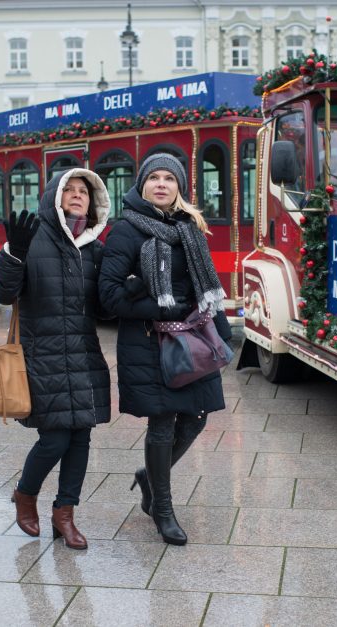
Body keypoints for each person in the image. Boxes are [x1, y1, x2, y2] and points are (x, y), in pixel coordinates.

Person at [99, 153, 232, 545]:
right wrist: (158, 305)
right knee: (163, 422)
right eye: (153, 178)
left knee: (197, 418)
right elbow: (108, 297)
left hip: (192, 339)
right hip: (149, 343)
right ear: (142, 186)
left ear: (180, 187)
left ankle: (149, 477)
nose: (161, 184)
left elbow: (207, 289)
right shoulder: (125, 231)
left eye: (169, 179)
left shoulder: (189, 227)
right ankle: (162, 508)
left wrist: (221, 336)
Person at [0, 168, 111, 550]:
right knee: (55, 437)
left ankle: (65, 514)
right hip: (42, 356)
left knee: (81, 437)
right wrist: (13, 254)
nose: (77, 195)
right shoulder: (32, 238)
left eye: (84, 191)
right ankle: (25, 494)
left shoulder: (93, 245)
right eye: (69, 190)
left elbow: (103, 310)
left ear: (93, 202)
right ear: (54, 196)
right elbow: (3, 294)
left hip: (83, 354)